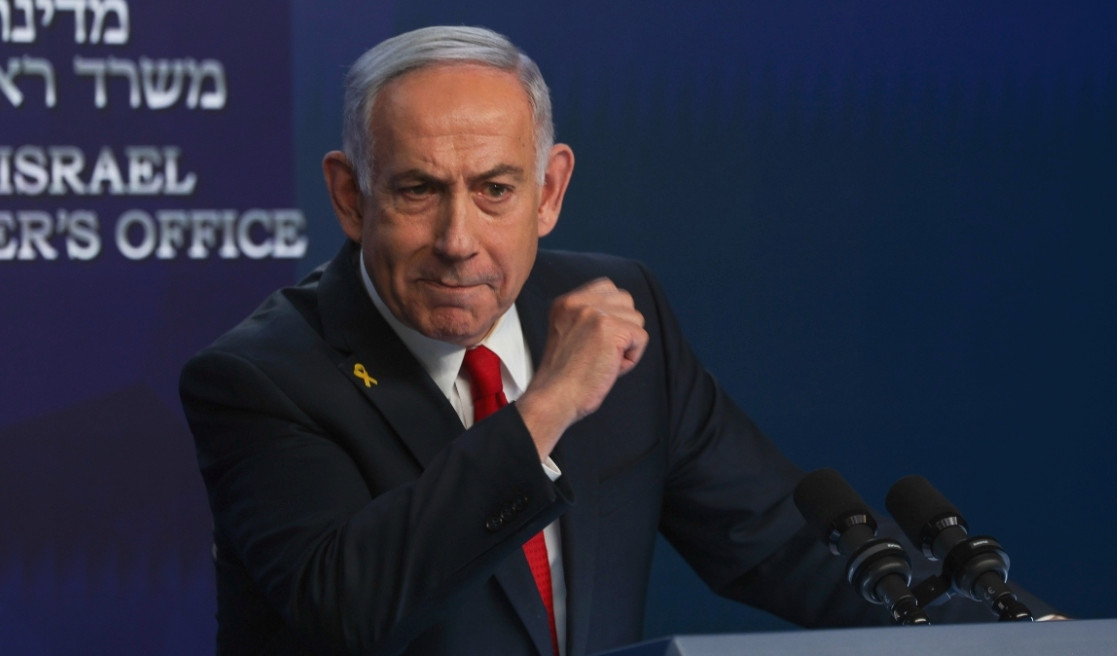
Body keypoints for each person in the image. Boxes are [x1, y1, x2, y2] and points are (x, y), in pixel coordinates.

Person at [180, 25, 1047, 656]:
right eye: (417, 191)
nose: (458, 239)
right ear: (350, 195)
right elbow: (349, 608)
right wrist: (547, 407)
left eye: (495, 190)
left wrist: (1023, 638)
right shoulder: (260, 377)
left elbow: (783, 546)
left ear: (550, 191)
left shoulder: (621, 310)